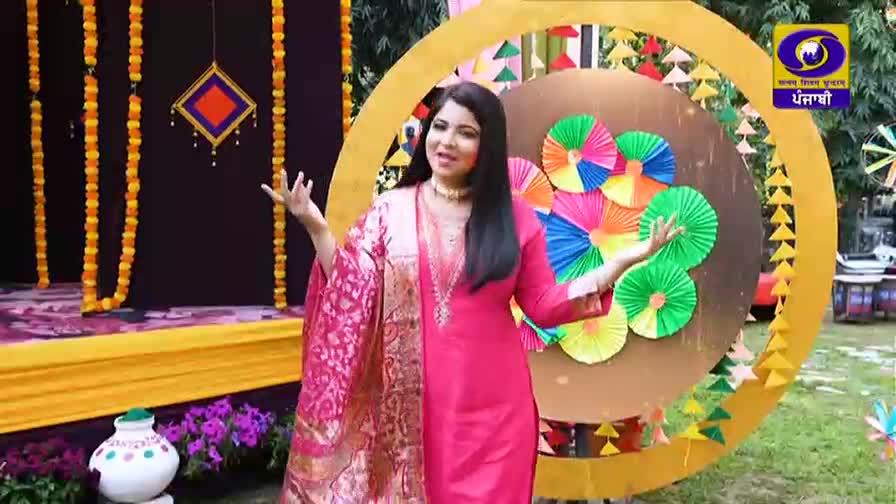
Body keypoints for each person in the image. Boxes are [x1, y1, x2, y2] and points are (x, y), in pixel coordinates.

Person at [261, 81, 682, 503]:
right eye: (440, 127)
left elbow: (545, 306)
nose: (447, 141)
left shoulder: (515, 219)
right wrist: (315, 226)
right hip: (413, 413)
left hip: (497, 416)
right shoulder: (392, 211)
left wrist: (629, 258)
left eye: (466, 132)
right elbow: (356, 291)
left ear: (488, 144)